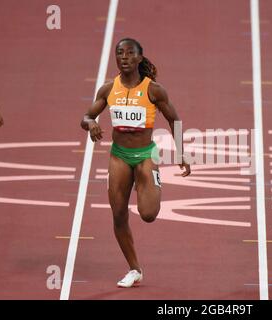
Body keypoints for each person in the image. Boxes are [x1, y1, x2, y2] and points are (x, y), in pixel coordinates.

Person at [81, 38, 191, 287]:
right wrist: (91, 123)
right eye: (120, 53)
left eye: (130, 53)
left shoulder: (154, 90)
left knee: (149, 214)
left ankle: (150, 184)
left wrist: (182, 152)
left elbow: (175, 120)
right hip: (119, 156)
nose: (124, 57)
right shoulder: (109, 89)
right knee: (118, 215)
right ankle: (134, 269)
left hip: (145, 155)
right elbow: (87, 115)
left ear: (140, 58)